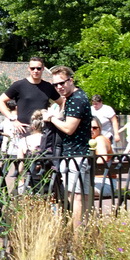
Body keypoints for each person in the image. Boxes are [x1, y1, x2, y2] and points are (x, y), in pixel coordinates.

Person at [45, 65, 93, 226]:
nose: (59, 87)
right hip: (79, 153)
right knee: (83, 196)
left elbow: (69, 128)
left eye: (62, 83)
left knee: (76, 196)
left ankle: (77, 237)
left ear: (71, 80)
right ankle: (85, 234)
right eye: (55, 85)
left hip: (75, 155)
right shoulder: (74, 98)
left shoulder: (77, 100)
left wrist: (51, 118)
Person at [0, 57, 58, 137]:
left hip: (43, 130)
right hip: (23, 130)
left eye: (38, 68)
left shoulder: (48, 87)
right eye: (33, 68)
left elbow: (62, 102)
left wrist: (55, 118)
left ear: (43, 69)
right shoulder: (19, 85)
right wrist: (13, 120)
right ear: (29, 69)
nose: (35, 71)